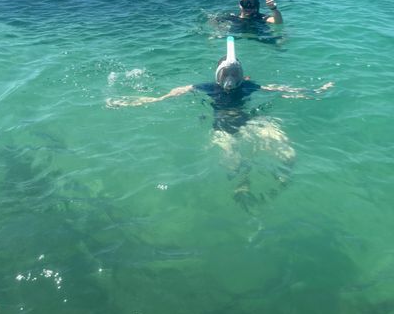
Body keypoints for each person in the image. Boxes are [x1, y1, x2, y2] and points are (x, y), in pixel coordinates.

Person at [107, 37, 333, 208]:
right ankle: (242, 183)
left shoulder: (248, 86)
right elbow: (168, 95)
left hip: (250, 121)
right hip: (222, 128)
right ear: (219, 74)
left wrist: (315, 92)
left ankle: (282, 177)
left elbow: (282, 89)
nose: (231, 78)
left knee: (286, 151)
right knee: (233, 164)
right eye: (227, 73)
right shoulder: (206, 87)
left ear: (242, 74)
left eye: (235, 73)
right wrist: (136, 102)